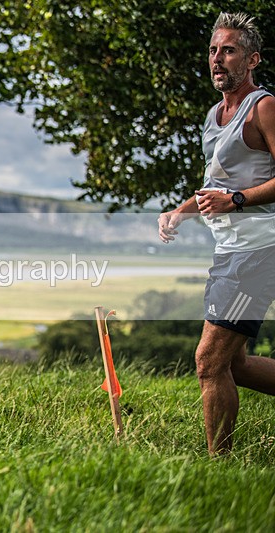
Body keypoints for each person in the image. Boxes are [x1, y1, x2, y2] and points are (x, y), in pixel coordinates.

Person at [158, 12, 275, 455]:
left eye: (229, 50)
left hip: (259, 250)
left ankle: (218, 465)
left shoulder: (263, 106)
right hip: (230, 251)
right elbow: (216, 186)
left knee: (208, 362)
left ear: (252, 59)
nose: (218, 59)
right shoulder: (214, 115)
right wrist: (182, 211)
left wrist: (239, 200)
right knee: (236, 365)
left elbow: (235, 193)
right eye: (213, 51)